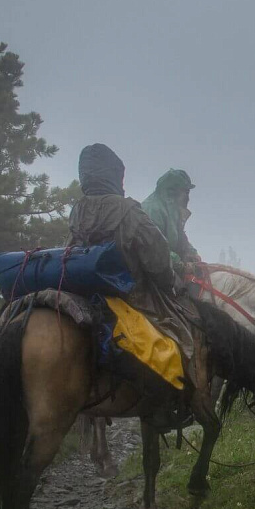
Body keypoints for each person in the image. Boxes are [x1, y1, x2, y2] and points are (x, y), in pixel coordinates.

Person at [66, 144, 201, 383]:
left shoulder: (78, 210)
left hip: (88, 287)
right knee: (180, 333)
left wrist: (191, 254)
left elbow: (70, 249)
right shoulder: (130, 210)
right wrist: (172, 279)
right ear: (113, 175)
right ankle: (170, 388)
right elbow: (158, 256)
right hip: (130, 291)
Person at [142, 169, 202, 275]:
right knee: (182, 290)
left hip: (169, 265)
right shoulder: (153, 209)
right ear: (173, 191)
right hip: (151, 270)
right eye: (186, 191)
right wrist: (180, 265)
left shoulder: (172, 208)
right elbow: (154, 247)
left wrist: (192, 252)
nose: (187, 197)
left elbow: (180, 236)